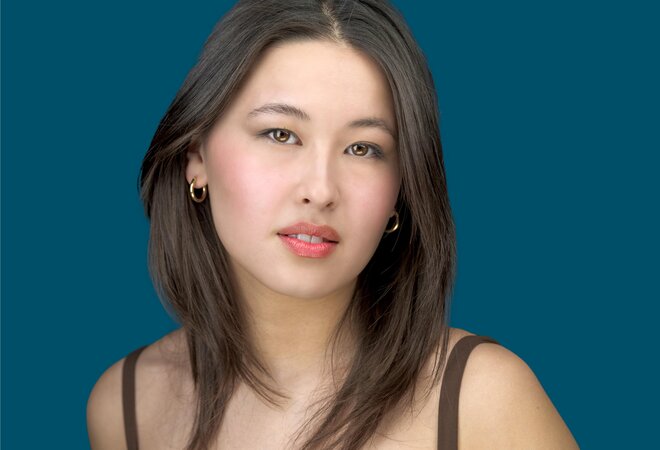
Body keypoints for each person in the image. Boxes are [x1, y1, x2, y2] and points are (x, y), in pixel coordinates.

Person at [87, 1, 579, 448]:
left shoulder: (482, 398)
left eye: (363, 149)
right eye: (281, 134)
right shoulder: (126, 406)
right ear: (196, 157)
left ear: (400, 191)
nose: (321, 190)